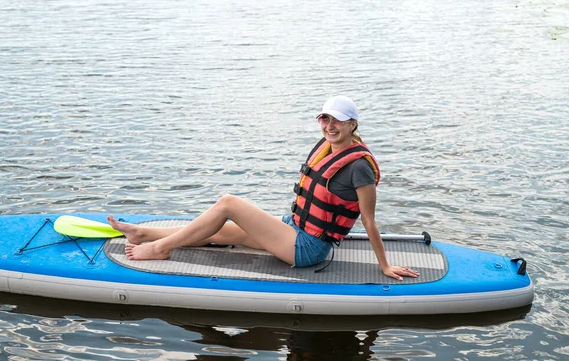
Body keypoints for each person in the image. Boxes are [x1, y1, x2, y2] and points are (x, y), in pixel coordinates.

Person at [107, 96, 419, 281]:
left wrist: (385, 265)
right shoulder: (328, 148)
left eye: (337, 121)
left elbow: (368, 220)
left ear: (352, 124)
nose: (329, 126)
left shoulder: (359, 166)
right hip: (294, 227)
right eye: (325, 119)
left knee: (228, 204)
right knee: (220, 231)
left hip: (307, 248)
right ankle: (144, 234)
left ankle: (159, 250)